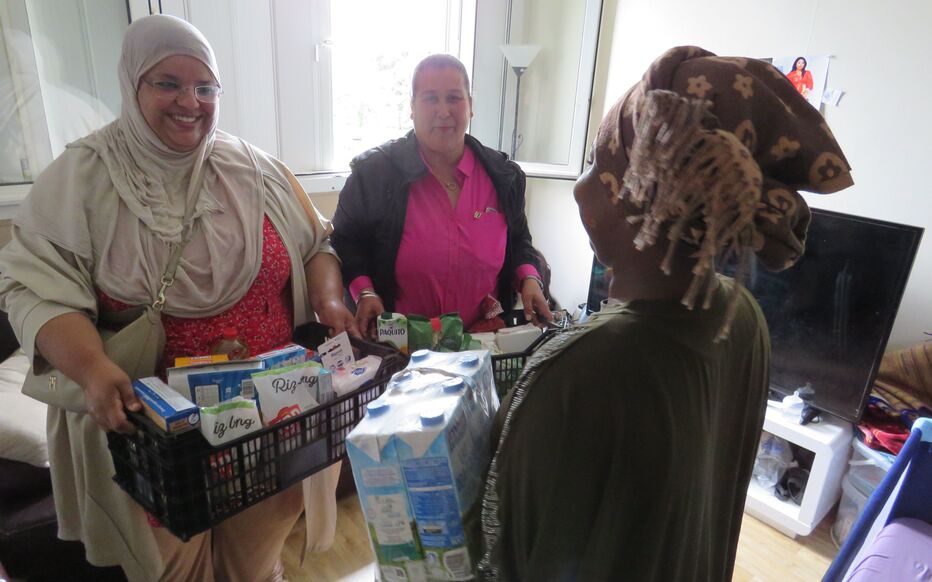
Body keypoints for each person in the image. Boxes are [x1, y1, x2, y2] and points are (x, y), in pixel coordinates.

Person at [474, 46, 853, 581]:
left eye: (598, 163)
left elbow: (506, 556)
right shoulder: (741, 315)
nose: (580, 186)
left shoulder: (583, 372)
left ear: (640, 200)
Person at [0, 15, 357, 582]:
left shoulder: (257, 170)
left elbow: (317, 245)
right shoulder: (81, 180)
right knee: (175, 572)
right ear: (131, 84)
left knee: (257, 563)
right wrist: (92, 369)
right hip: (160, 442)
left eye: (205, 86)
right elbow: (36, 291)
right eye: (167, 83)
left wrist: (330, 303)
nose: (189, 101)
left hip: (272, 417)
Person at [331, 54, 552, 338]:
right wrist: (364, 292)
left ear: (470, 106)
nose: (444, 111)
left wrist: (529, 278)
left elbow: (519, 239)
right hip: (401, 346)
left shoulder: (503, 177)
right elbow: (345, 243)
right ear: (412, 107)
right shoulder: (373, 175)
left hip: (480, 341)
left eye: (454, 98)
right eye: (430, 98)